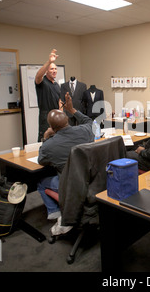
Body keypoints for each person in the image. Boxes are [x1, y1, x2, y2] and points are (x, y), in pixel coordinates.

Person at [37, 92, 94, 221]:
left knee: (41, 182)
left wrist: (46, 138)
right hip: (91, 180)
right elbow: (88, 121)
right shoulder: (86, 131)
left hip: (70, 185)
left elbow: (41, 160)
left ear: (51, 127)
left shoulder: (49, 146)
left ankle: (54, 212)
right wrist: (71, 109)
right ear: (67, 120)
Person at [35, 49, 61, 141]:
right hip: (46, 116)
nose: (54, 71)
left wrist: (61, 116)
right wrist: (49, 61)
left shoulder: (57, 85)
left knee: (57, 140)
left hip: (56, 116)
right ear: (46, 71)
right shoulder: (42, 82)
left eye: (55, 69)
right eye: (51, 69)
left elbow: (60, 102)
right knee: (45, 140)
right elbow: (38, 76)